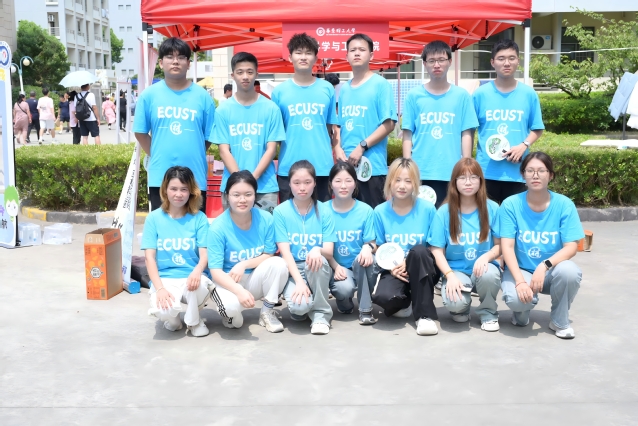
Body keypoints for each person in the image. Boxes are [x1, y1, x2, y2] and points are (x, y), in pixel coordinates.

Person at [499, 152, 584, 339]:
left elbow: (571, 247)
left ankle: (559, 321)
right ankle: (521, 312)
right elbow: (507, 247)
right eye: (530, 170)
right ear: (523, 174)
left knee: (569, 271)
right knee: (517, 300)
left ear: (550, 175)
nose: (535, 175)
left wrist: (544, 265)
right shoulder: (510, 205)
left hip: (550, 271)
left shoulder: (564, 205)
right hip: (521, 270)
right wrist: (520, 281)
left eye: (541, 171)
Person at [134, 37, 215, 212]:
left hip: (195, 178)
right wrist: (157, 153)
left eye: (181, 57)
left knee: (195, 226)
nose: (175, 61)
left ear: (188, 63)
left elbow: (209, 136)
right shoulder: (149, 96)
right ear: (161, 63)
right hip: (160, 177)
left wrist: (194, 150)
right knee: (163, 226)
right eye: (170, 57)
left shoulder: (203, 97)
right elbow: (140, 132)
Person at [207, 171, 289, 332]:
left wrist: (243, 264)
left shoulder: (266, 219)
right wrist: (238, 290)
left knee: (279, 263)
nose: (242, 200)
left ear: (255, 195)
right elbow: (215, 271)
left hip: (253, 278)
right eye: (236, 195)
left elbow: (269, 254)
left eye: (248, 194)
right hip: (228, 281)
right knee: (233, 317)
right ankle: (231, 313)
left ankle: (267, 312)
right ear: (227, 196)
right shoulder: (217, 228)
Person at [428, 158, 502, 331]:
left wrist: (487, 257)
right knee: (456, 304)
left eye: (473, 177)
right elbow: (436, 250)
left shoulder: (492, 208)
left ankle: (488, 313)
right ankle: (462, 308)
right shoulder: (444, 212)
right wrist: (449, 275)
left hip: (483, 268)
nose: (468, 182)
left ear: (481, 181)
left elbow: (500, 245)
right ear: (454, 182)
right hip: (456, 270)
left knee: (490, 275)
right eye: (462, 178)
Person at [402, 40, 478, 207]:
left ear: (449, 61)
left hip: (452, 171)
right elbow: (407, 133)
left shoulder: (462, 96)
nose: (436, 65)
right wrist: (407, 166)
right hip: (420, 171)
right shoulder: (414, 96)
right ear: (424, 64)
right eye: (431, 60)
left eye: (441, 60)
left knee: (450, 217)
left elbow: (466, 132)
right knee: (421, 216)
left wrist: (466, 165)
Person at [141, 166, 212, 337]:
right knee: (165, 313)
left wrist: (197, 271)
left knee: (197, 286)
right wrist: (160, 288)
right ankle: (174, 320)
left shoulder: (199, 218)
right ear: (165, 190)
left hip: (192, 277)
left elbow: (205, 254)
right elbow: (149, 258)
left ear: (191, 191)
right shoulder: (153, 218)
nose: (178, 194)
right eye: (173, 189)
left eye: (184, 189)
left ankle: (194, 321)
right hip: (165, 279)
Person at [371, 158, 438, 336]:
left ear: (415, 183)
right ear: (390, 182)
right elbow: (379, 247)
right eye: (397, 180)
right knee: (383, 298)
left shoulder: (428, 209)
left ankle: (424, 316)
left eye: (408, 181)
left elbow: (434, 247)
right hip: (395, 270)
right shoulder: (380, 211)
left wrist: (408, 262)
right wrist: (391, 267)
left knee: (419, 251)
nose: (402, 186)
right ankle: (407, 300)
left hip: (423, 267)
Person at [210, 52, 285, 212]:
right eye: (240, 72)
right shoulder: (223, 110)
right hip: (232, 187)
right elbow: (224, 151)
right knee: (233, 228)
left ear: (257, 74)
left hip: (265, 187)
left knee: (266, 228)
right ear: (233, 75)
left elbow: (271, 149)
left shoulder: (271, 108)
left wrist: (252, 179)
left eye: (250, 72)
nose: (245, 76)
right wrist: (240, 182)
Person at [473, 39, 545, 204]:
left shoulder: (529, 94)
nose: (507, 63)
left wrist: (523, 145)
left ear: (518, 61)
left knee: (513, 217)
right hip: (486, 171)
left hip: (517, 172)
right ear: (493, 62)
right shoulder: (480, 94)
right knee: (487, 217)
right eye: (501, 58)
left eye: (511, 58)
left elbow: (537, 128)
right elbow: (469, 130)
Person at [271, 33, 339, 202]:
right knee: (289, 216)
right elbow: (276, 133)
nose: (303, 57)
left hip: (321, 168)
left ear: (315, 58)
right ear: (290, 57)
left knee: (322, 214)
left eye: (308, 53)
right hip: (289, 168)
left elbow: (330, 128)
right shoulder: (279, 92)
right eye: (298, 52)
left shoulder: (327, 89)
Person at [273, 160, 336, 335]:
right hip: (293, 269)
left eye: (307, 182)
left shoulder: (324, 210)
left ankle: (321, 315)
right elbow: (285, 253)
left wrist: (317, 249)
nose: (302, 188)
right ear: (289, 184)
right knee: (299, 308)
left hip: (316, 267)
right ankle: (304, 307)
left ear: (315, 183)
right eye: (297, 183)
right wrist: (299, 282)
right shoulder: (280, 212)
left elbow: (329, 251)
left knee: (318, 259)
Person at [337, 33, 397, 208]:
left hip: (372, 168)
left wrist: (362, 146)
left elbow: (389, 124)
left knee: (373, 216)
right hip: (346, 169)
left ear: (371, 55)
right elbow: (339, 126)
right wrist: (337, 148)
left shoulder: (380, 84)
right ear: (346, 55)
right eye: (352, 50)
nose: (357, 53)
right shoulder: (344, 89)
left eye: (362, 50)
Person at [326, 161, 378, 325]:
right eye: (338, 181)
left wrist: (367, 248)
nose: (343, 186)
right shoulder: (323, 210)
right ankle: (344, 301)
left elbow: (372, 242)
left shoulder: (365, 210)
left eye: (348, 181)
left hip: (360, 264)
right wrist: (335, 266)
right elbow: (321, 247)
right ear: (331, 184)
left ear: (355, 183)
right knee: (344, 289)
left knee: (367, 260)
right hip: (336, 266)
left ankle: (365, 309)